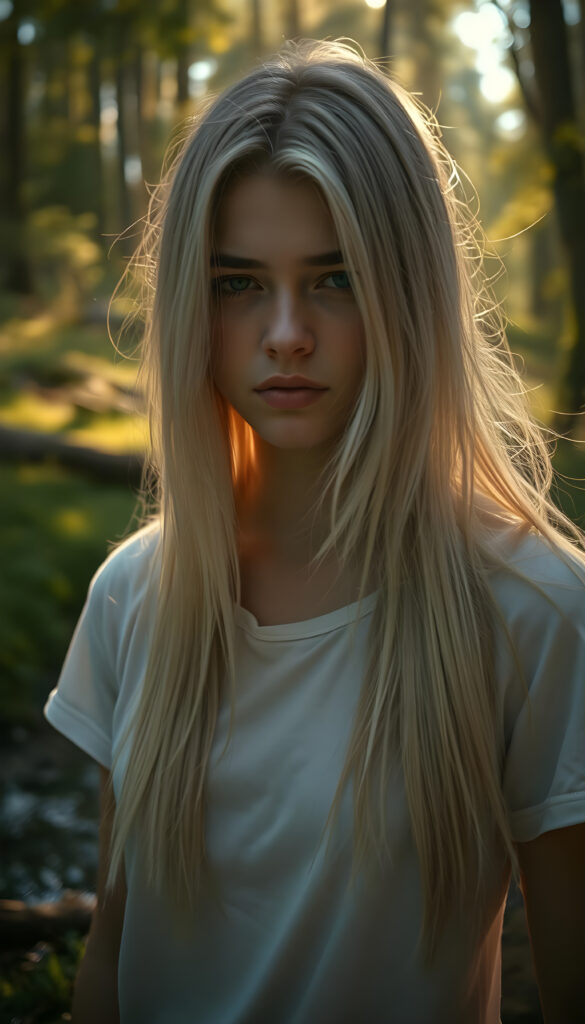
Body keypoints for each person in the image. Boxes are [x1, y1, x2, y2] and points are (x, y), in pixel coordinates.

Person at [44, 38, 585, 1024]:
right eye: (238, 282)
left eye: (335, 278)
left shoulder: (533, 606)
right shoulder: (136, 596)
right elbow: (115, 947)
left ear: (408, 291)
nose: (286, 331)